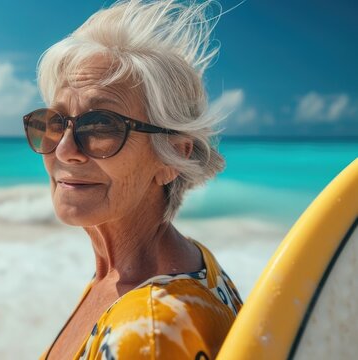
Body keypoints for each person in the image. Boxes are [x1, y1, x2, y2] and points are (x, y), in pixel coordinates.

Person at [22, 0, 243, 359]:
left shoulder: (148, 332)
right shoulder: (185, 261)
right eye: (56, 121)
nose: (64, 150)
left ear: (173, 155)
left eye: (102, 125)